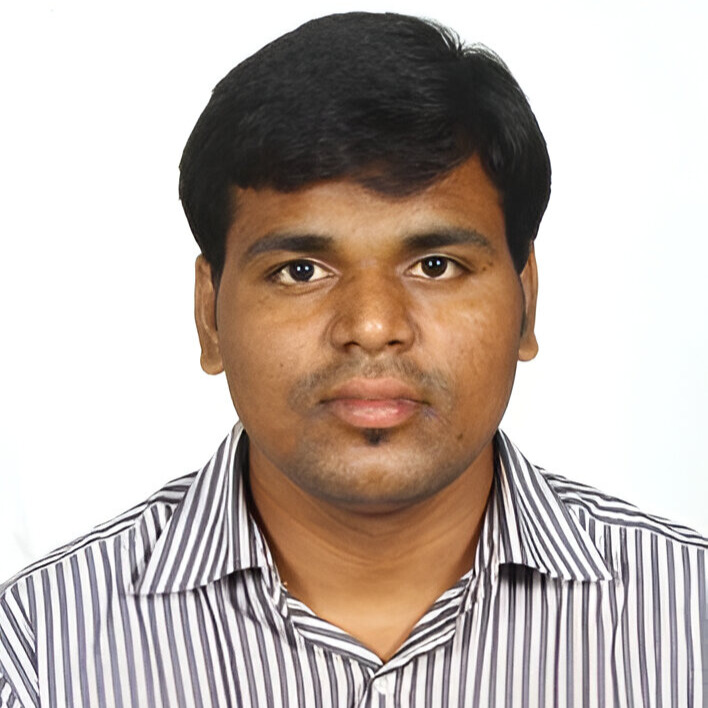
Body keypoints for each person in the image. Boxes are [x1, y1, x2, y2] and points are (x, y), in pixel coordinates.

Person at [0, 11, 705, 707]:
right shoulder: (38, 650)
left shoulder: (690, 619)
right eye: (301, 271)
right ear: (209, 315)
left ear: (527, 301)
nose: (371, 327)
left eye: (436, 264)